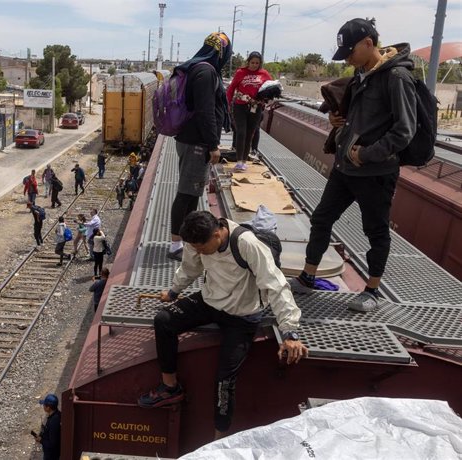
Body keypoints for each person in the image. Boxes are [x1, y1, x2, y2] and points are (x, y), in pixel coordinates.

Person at [137, 211, 307, 439]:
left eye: (201, 248)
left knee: (224, 381)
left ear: (218, 234)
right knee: (164, 320)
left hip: (242, 315)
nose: (198, 252)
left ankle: (218, 439)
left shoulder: (247, 244)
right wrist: (174, 291)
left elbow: (275, 285)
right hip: (210, 300)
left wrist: (289, 331)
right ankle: (170, 388)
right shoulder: (198, 240)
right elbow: (190, 267)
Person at [289, 18, 418, 312]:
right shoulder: (362, 74)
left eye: (350, 52)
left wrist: (368, 154)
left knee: (375, 230)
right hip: (345, 168)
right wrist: (338, 122)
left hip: (375, 172)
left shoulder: (396, 77)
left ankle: (372, 291)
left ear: (368, 43)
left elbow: (405, 130)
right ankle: (308, 277)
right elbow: (361, 118)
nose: (347, 59)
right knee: (321, 218)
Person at [168, 32, 232, 262]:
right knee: (186, 194)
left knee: (191, 193)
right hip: (196, 142)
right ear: (222, 52)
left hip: (192, 140)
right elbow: (206, 111)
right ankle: (176, 244)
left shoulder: (198, 68)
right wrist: (213, 144)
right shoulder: (206, 72)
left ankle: (184, 241)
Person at [226, 52, 273, 172]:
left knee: (249, 133)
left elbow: (271, 88)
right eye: (252, 62)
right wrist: (227, 103)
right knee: (241, 132)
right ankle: (239, 160)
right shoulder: (241, 72)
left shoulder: (264, 74)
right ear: (248, 62)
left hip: (255, 108)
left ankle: (244, 161)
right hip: (240, 106)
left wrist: (267, 98)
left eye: (257, 63)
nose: (254, 65)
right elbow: (231, 88)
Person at [35, 394, 61, 460]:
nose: (43, 406)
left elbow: (52, 444)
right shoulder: (58, 414)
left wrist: (41, 440)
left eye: (44, 405)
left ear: (48, 407)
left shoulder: (53, 421)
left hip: (51, 456)